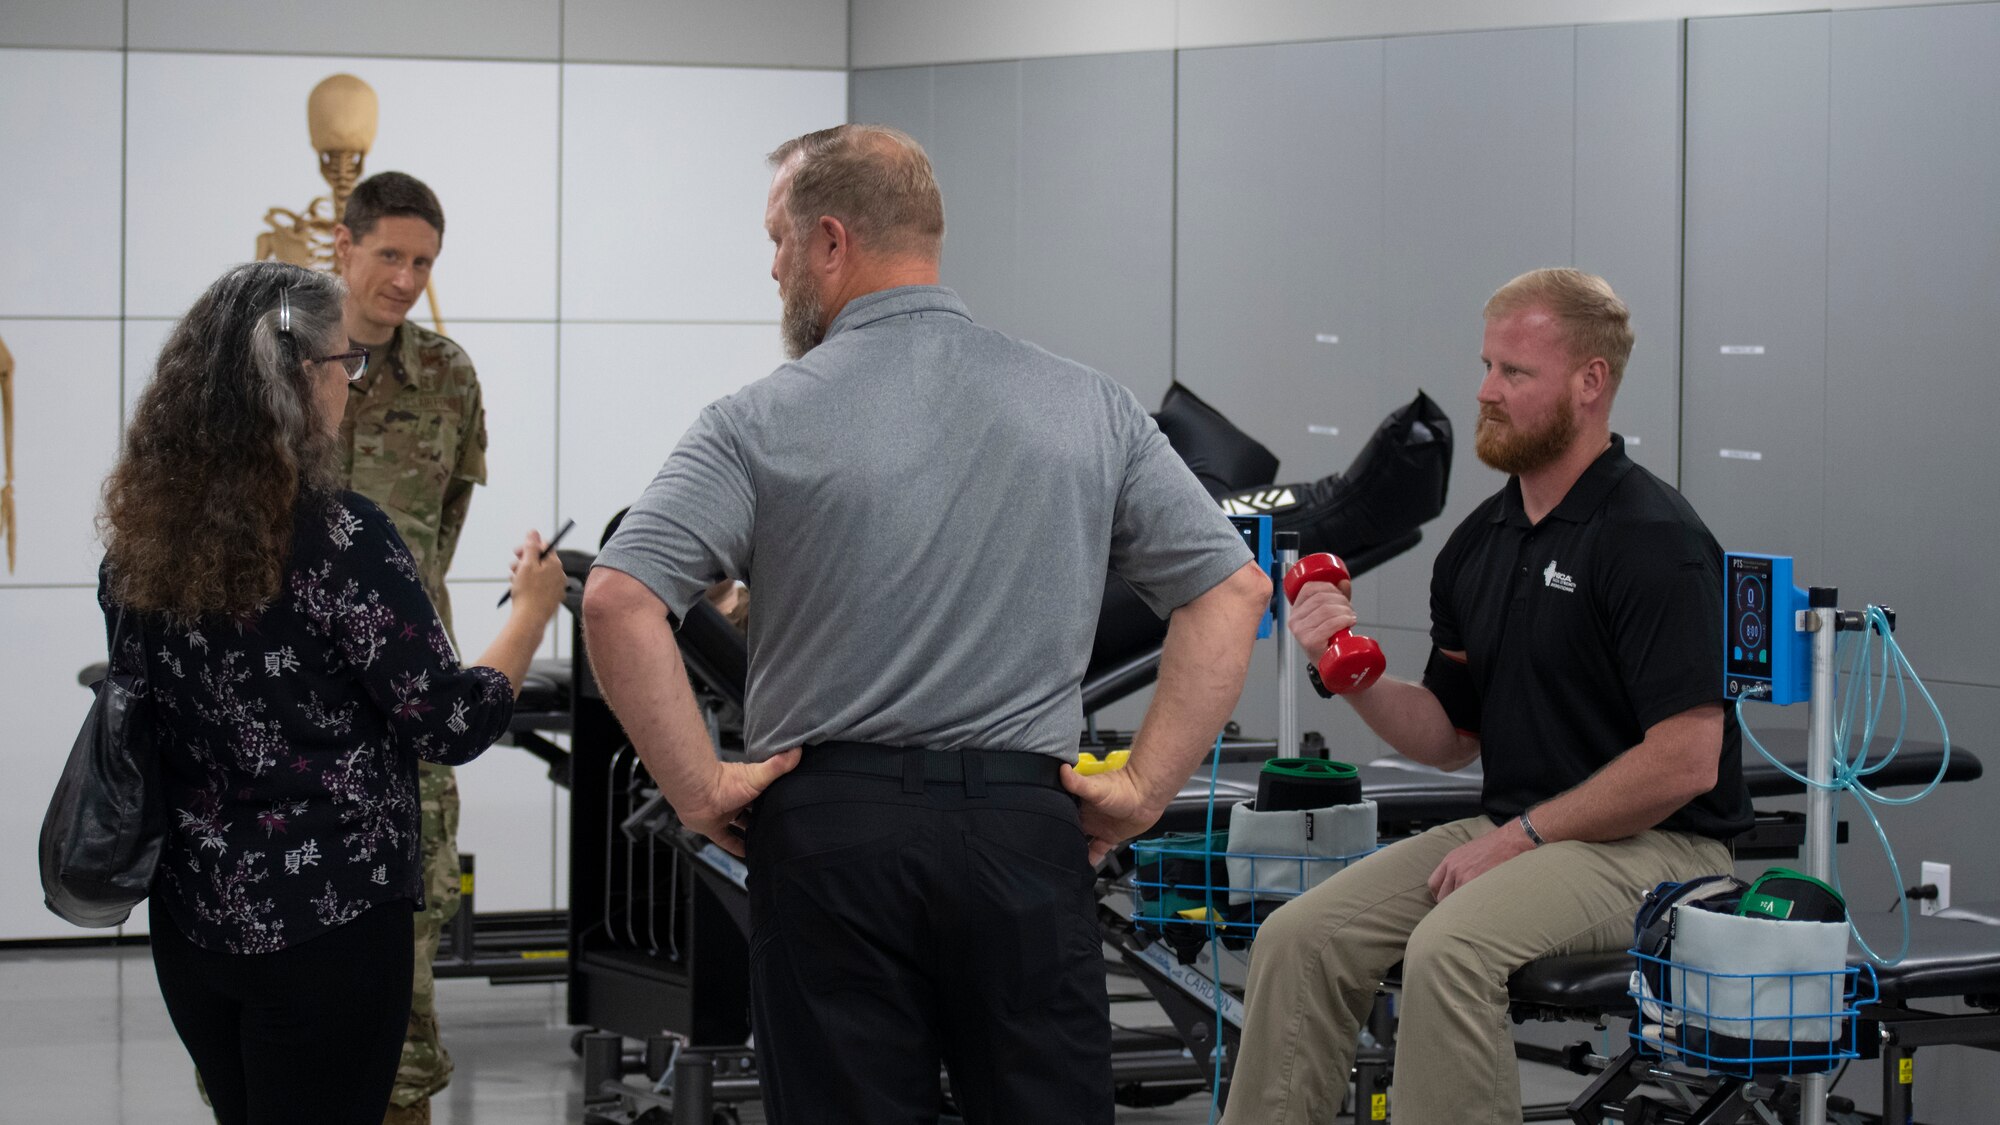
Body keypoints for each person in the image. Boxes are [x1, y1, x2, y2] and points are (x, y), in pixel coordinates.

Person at [581, 124, 1272, 1124]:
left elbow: (617, 596)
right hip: (1019, 830)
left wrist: (696, 788)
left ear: (830, 242)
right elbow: (1230, 591)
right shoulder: (1088, 406)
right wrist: (1139, 789)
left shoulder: (756, 419)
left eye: (776, 241)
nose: (771, 267)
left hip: (830, 834)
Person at [1221, 268, 1754, 1125]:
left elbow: (1686, 759)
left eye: (1514, 372)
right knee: (1298, 937)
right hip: (1521, 828)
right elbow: (1448, 734)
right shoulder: (1478, 543)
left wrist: (1520, 836)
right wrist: (1345, 668)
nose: (1485, 391)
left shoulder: (1655, 540)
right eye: (1486, 366)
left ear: (1591, 382)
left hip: (1662, 851)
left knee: (1452, 946)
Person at [97, 261, 565, 1125]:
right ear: (301, 380)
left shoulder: (138, 546)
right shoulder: (343, 538)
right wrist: (531, 615)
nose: (350, 382)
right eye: (343, 364)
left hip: (194, 922)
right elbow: (448, 718)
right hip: (329, 924)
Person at [330, 171, 487, 1124]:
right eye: (389, 254)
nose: (404, 278)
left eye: (422, 261)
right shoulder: (280, 359)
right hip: (292, 708)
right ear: (344, 246)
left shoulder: (447, 377)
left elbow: (443, 530)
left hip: (408, 710)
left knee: (411, 942)